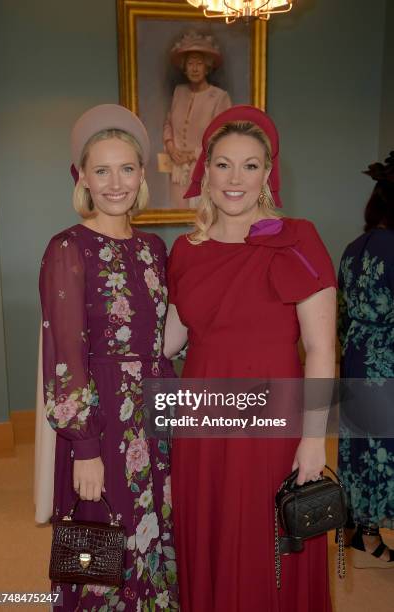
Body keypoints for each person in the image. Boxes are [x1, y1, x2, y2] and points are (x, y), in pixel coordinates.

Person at [164, 105, 337, 612]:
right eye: (223, 164)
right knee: (210, 532)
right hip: (200, 421)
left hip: (271, 423)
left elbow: (323, 349)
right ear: (205, 170)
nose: (234, 178)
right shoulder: (186, 250)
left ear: (267, 173)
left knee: (265, 541)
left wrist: (313, 439)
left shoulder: (297, 239)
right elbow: (170, 342)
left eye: (250, 165)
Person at [39, 104, 178, 610]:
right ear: (83, 178)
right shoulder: (67, 248)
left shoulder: (153, 249)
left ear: (142, 174)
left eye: (126, 168)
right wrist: (85, 446)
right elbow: (65, 357)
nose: (115, 182)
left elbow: (162, 339)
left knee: (156, 538)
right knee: (99, 550)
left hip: (157, 417)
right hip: (102, 424)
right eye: (102, 170)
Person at [338, 151, 394, 567]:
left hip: (356, 351)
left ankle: (365, 532)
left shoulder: (353, 249)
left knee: (361, 442)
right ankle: (370, 533)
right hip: (387, 356)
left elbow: (341, 311)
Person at [163, 31, 231, 209]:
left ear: (207, 67)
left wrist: (193, 155)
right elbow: (168, 124)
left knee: (201, 215)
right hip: (177, 168)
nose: (194, 68)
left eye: (199, 63)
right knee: (176, 212)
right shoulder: (179, 91)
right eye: (190, 63)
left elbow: (222, 136)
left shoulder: (219, 97)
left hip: (203, 168)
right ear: (184, 67)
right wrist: (171, 148)